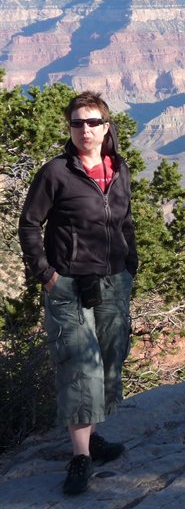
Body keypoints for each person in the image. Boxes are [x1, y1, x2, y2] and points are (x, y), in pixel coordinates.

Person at [19, 91, 138, 495]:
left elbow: (125, 221)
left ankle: (92, 434)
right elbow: (30, 225)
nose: (84, 130)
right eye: (76, 123)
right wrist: (46, 274)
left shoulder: (118, 169)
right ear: (69, 129)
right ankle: (81, 456)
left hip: (112, 280)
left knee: (108, 360)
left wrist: (130, 265)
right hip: (67, 285)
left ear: (106, 127)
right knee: (77, 365)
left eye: (92, 122)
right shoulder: (56, 173)